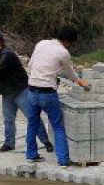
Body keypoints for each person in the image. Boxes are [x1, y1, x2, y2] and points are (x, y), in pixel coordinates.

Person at [25, 26, 90, 165]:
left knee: (32, 123)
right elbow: (70, 73)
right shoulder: (63, 52)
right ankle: (63, 160)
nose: (70, 45)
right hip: (47, 93)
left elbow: (31, 65)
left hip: (31, 90)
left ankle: (31, 154)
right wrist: (81, 82)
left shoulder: (41, 43)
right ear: (67, 41)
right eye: (70, 43)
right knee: (57, 126)